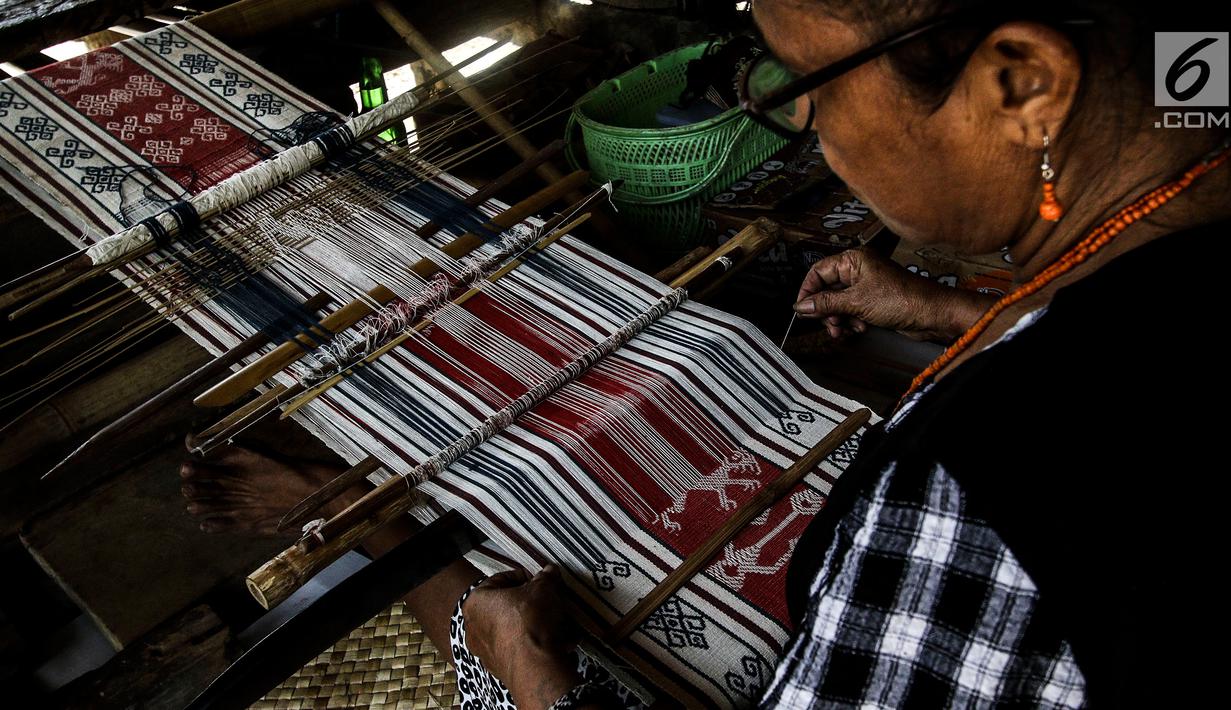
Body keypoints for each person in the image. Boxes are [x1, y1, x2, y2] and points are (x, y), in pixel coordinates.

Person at [184, 0, 1231, 705]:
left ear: (1022, 83)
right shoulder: (1203, 116)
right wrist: (942, 304)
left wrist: (508, 667)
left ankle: (351, 523)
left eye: (805, 96)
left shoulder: (988, 478)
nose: (815, 139)